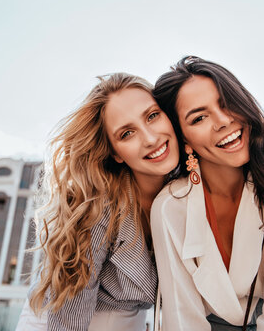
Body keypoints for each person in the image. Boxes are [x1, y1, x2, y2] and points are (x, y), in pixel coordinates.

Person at [150, 56, 264, 330]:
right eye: (199, 118)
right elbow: (183, 318)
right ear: (183, 137)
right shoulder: (170, 207)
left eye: (227, 103)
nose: (223, 121)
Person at [16, 73, 179, 331]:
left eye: (152, 116)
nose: (150, 138)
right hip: (59, 320)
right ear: (115, 152)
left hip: (130, 321)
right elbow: (70, 307)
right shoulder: (97, 204)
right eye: (127, 133)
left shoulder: (185, 191)